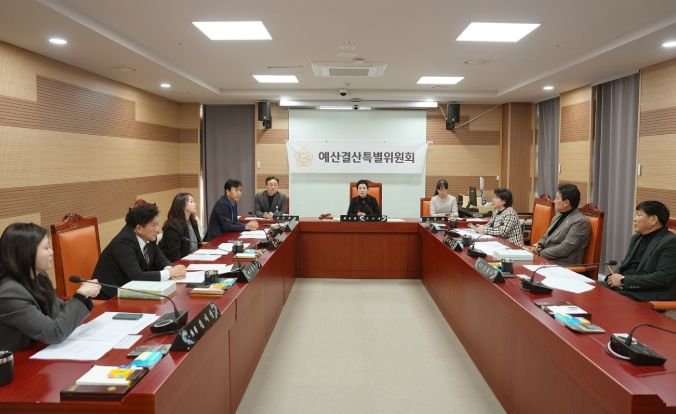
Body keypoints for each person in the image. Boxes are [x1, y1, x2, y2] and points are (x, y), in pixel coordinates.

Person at [0, 223, 101, 351]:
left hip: (39, 350)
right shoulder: (9, 293)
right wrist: (81, 295)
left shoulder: (39, 276)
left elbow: (57, 310)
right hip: (17, 359)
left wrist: (84, 296)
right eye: (46, 248)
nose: (52, 252)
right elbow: (54, 333)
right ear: (26, 252)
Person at [93, 200, 186, 299]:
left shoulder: (148, 236)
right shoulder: (123, 242)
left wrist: (169, 269)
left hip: (133, 291)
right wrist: (170, 273)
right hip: (110, 296)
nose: (158, 230)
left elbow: (161, 259)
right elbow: (137, 276)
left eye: (157, 224)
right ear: (139, 228)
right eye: (153, 225)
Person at [605, 201, 676, 301]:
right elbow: (625, 265)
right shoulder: (636, 238)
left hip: (648, 293)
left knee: (601, 298)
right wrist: (612, 278)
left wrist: (624, 281)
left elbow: (662, 277)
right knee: (593, 288)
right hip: (625, 287)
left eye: (639, 215)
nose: (634, 219)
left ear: (653, 220)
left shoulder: (670, 242)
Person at [528, 183, 590, 265]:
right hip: (546, 259)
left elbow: (565, 249)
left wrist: (540, 253)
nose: (554, 201)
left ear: (566, 203)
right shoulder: (558, 216)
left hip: (563, 265)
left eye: (557, 199)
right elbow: (546, 236)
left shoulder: (580, 221)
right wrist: (539, 245)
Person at [159, 192, 202, 262]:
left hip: (194, 259)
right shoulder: (173, 227)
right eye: (191, 202)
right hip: (177, 263)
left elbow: (199, 244)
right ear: (182, 206)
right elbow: (174, 255)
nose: (195, 204)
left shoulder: (193, 222)